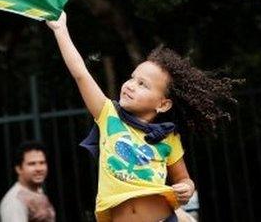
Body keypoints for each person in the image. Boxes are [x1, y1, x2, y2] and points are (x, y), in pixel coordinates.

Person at [46, 12, 239, 222]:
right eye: (132, 78)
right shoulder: (108, 113)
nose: (130, 85)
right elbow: (81, 73)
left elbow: (184, 179)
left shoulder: (168, 138)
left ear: (163, 104)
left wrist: (186, 187)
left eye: (142, 84)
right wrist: (60, 30)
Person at [0, 141, 55, 222]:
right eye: (32, 164)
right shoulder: (14, 200)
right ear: (19, 168)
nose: (39, 168)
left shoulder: (37, 191)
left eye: (42, 163)